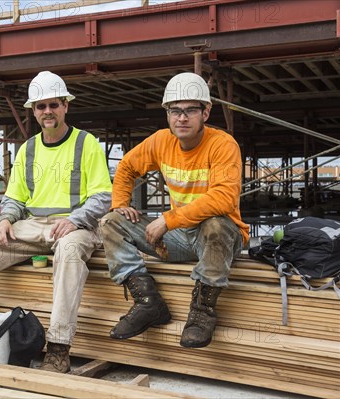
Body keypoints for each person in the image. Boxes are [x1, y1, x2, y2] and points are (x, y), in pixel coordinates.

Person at [0, 71, 112, 372]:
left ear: (65, 106)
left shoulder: (86, 144)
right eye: (40, 106)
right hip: (33, 226)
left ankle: (59, 347)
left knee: (69, 252)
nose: (47, 112)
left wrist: (75, 220)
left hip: (77, 228)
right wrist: (5, 220)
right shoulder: (28, 149)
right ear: (33, 111)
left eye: (53, 105)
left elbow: (103, 197)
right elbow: (14, 198)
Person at [100, 72, 249, 348]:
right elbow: (126, 167)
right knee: (110, 222)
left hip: (221, 239)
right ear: (167, 114)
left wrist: (167, 220)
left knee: (215, 223)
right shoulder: (160, 141)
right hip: (179, 239)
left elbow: (224, 198)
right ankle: (148, 302)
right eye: (174, 110)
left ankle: (202, 312)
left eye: (191, 109)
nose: (182, 117)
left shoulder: (222, 145)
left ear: (205, 112)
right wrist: (121, 204)